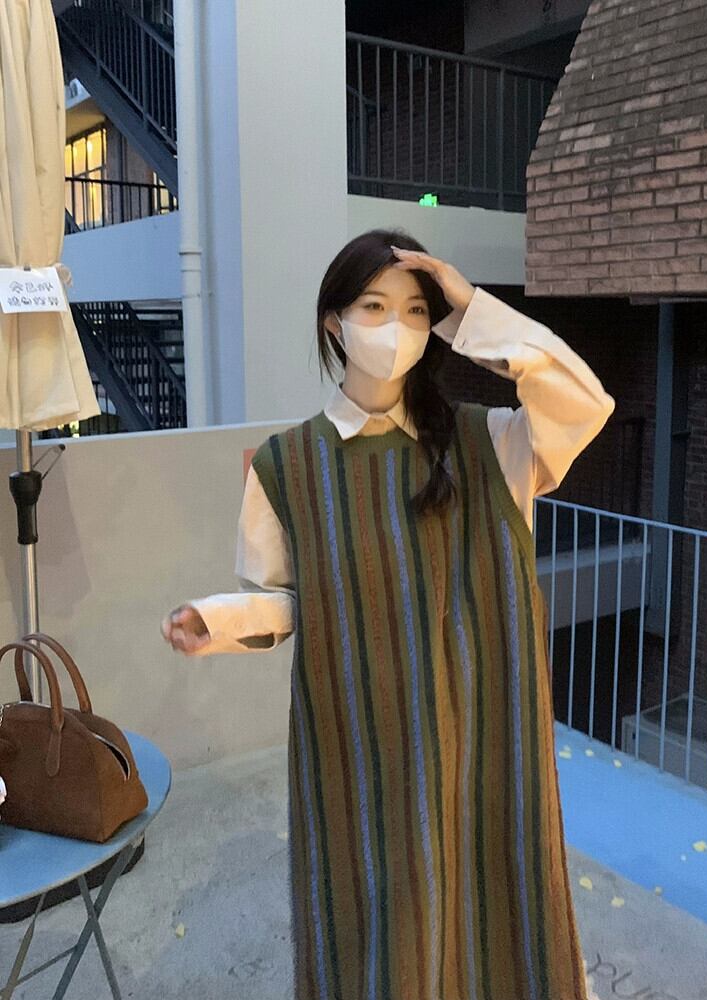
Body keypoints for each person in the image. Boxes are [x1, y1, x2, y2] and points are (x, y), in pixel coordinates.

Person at [162, 228, 614, 1000]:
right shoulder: (286, 463)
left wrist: (470, 309)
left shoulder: (492, 442)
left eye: (415, 310)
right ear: (333, 321)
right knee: (378, 937)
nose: (396, 326)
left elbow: (585, 403)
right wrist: (220, 620)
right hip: (363, 747)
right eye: (374, 306)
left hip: (486, 745)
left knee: (498, 930)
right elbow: (293, 597)